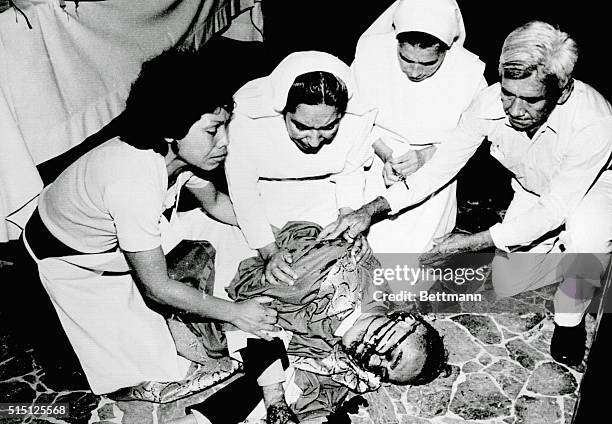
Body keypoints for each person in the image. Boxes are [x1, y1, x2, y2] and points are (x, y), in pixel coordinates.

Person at [320, 21, 612, 366]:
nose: (515, 110)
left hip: (594, 189)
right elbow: (441, 167)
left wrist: (469, 243)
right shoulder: (489, 104)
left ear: (561, 91)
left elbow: (554, 209)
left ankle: (572, 317)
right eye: (508, 93)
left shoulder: (594, 120)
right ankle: (573, 258)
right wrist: (371, 209)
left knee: (589, 237)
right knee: (508, 282)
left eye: (531, 99)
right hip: (535, 191)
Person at [17, 48, 280, 395]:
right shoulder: (133, 179)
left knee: (232, 236)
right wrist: (235, 313)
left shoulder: (181, 154)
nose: (225, 142)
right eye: (213, 130)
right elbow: (156, 287)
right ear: (172, 128)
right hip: (69, 262)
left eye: (226, 126)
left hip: (109, 236)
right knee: (158, 371)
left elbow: (216, 202)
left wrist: (274, 240)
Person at [170, 221, 447, 424]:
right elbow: (251, 298)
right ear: (405, 320)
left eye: (384, 371)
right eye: (392, 355)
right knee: (265, 348)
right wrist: (275, 400)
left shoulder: (351, 350)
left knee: (281, 380)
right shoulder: (348, 273)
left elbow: (314, 383)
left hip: (239, 330)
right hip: (216, 264)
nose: (375, 361)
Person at [225, 51, 377, 287]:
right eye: (301, 126)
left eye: (328, 127)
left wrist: (349, 222)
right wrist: (269, 251)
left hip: (327, 203)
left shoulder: (358, 118)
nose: (314, 141)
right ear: (282, 111)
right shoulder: (247, 120)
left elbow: (350, 173)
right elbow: (243, 191)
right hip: (262, 210)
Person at [351, 0, 487, 254]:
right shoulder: (371, 55)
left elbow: (468, 140)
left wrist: (426, 155)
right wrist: (385, 154)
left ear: (446, 51)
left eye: (428, 63)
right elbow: (353, 117)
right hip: (372, 157)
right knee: (363, 249)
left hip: (436, 168)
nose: (414, 71)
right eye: (405, 59)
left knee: (413, 266)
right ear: (396, 43)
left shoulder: (469, 75)